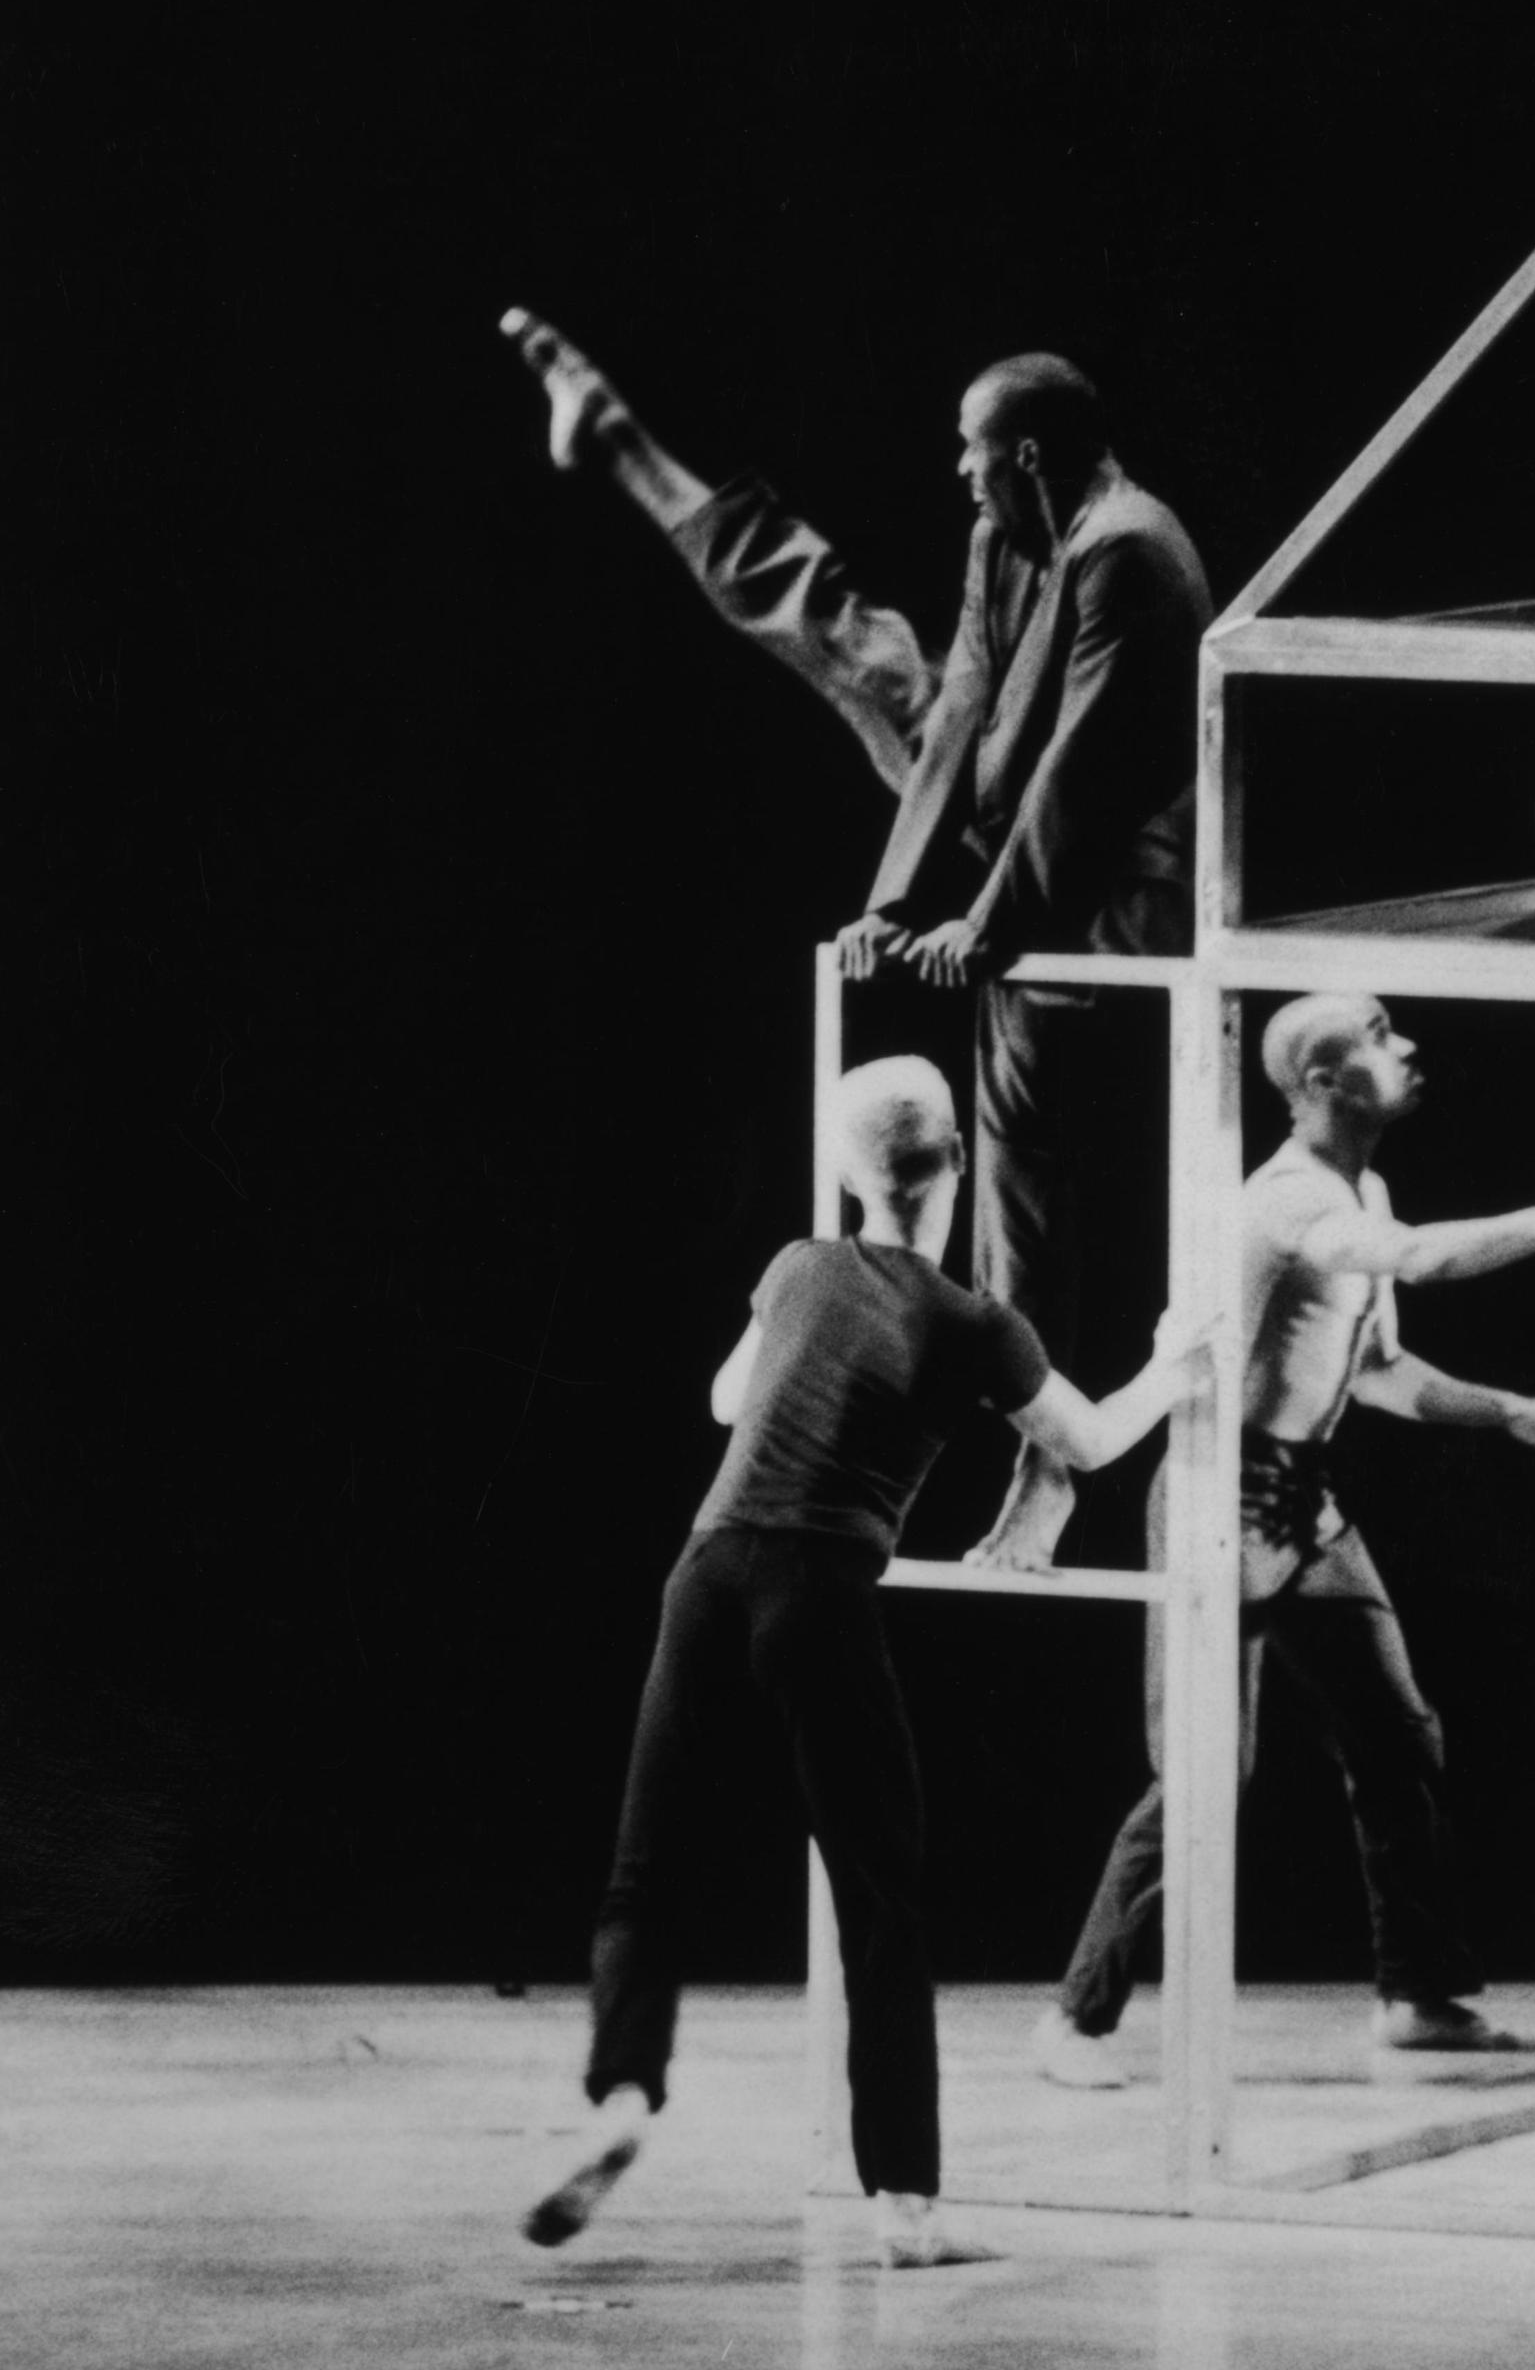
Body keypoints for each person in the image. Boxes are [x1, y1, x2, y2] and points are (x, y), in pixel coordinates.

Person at [505, 312, 1212, 1569]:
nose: (959, 471)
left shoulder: (1135, 555)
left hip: (1106, 887)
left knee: (1022, 1178)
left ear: (1035, 453)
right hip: (1006, 824)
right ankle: (626, 449)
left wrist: (981, 932)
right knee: (845, 629)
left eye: (974, 450)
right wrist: (896, 899)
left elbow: (1085, 774)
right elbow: (961, 714)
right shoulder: (1009, 528)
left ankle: (1045, 1479)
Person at [526, 1057, 1210, 2265]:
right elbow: (1091, 1442)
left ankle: (624, 2092)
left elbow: (730, 1400)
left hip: (706, 1573)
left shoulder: (796, 1266)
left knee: (648, 1871)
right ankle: (905, 2203)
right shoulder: (971, 1321)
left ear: (846, 1171)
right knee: (881, 1900)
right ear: (956, 1158)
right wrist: (1177, 1357)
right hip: (816, 1589)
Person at [1033, 995, 1535, 2083]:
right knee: (1209, 1775)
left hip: (1305, 1503)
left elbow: (1375, 1368)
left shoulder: (1367, 1185)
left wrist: (1507, 1409)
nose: (1407, 1048)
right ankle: (1076, 2018)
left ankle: (1420, 1994)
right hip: (1220, 1499)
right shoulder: (1284, 1199)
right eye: (1379, 1036)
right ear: (1323, 1081)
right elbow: (1410, 1257)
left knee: (1400, 1737)